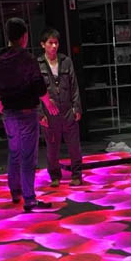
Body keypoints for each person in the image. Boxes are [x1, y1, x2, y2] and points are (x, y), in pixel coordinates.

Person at [0, 18, 58, 212]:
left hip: (9, 114)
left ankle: (15, 192)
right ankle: (29, 199)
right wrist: (48, 103)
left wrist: (0, 106)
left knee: (15, 152)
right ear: (24, 36)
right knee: (28, 156)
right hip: (27, 113)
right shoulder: (27, 59)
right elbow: (39, 87)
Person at [37, 28, 83, 187]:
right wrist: (40, 114)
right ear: (43, 44)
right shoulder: (38, 64)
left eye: (56, 43)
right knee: (52, 147)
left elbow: (74, 85)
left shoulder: (66, 61)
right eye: (50, 43)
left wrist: (77, 107)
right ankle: (55, 176)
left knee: (74, 146)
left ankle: (77, 175)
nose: (54, 46)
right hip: (49, 113)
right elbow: (35, 92)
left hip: (68, 110)